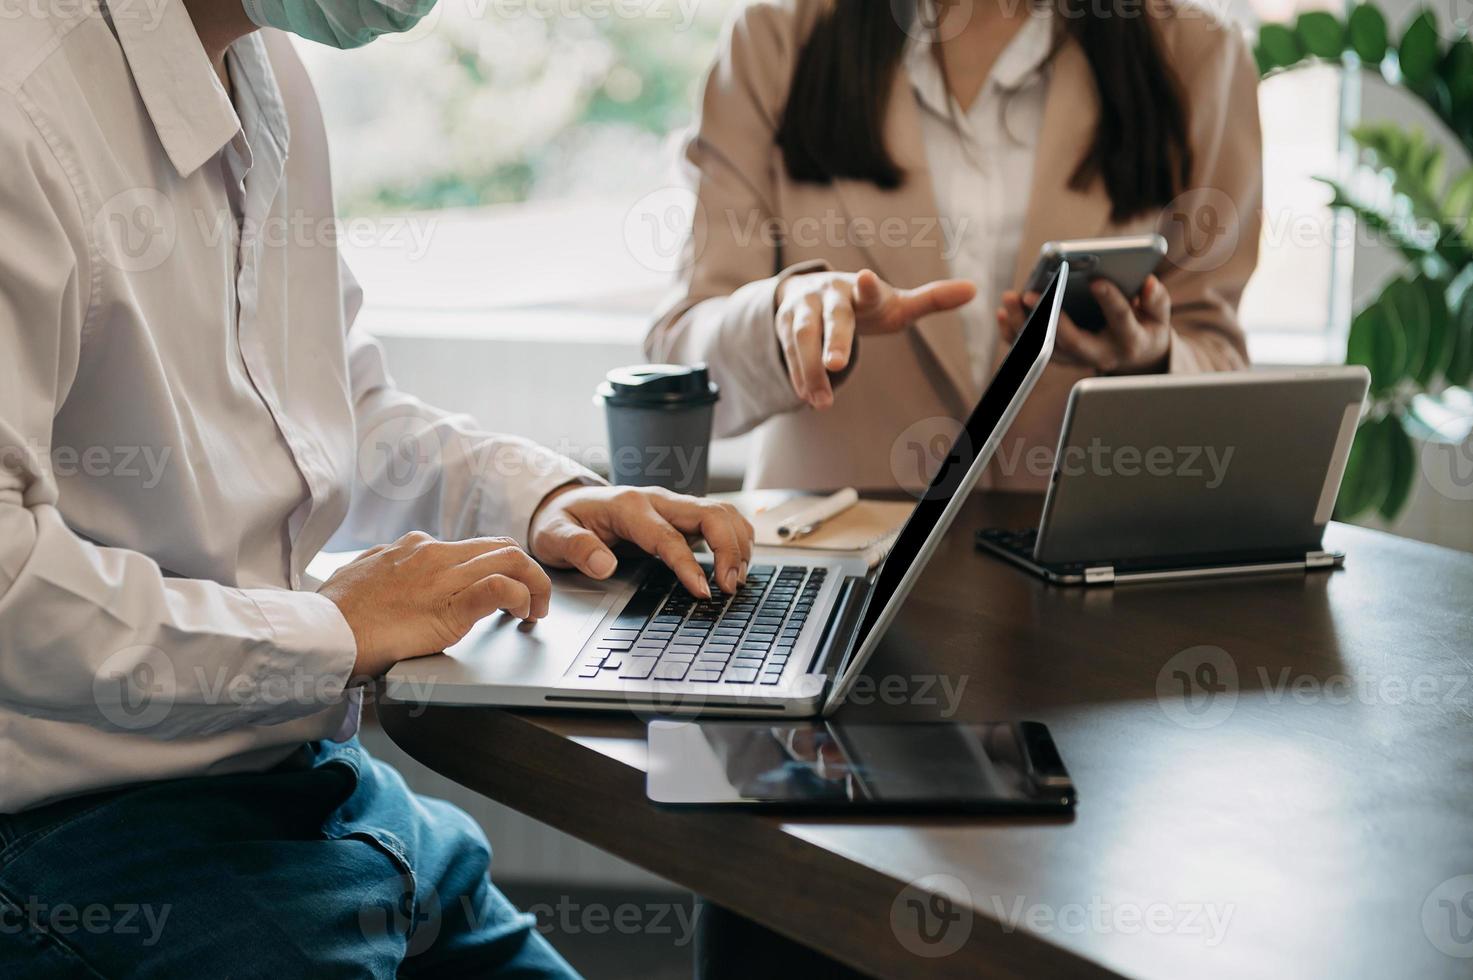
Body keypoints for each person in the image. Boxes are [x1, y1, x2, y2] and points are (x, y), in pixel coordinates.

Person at [0, 0, 754, 975]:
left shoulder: (264, 78)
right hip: (85, 837)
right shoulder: (25, 102)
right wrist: (327, 629)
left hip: (312, 791)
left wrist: (538, 499)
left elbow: (325, 408)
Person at [645, 0, 1261, 492]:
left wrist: (1154, 357)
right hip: (835, 570)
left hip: (1085, 576)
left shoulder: (1197, 53)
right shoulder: (774, 40)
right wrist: (781, 313)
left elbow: (1216, 353)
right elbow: (681, 358)